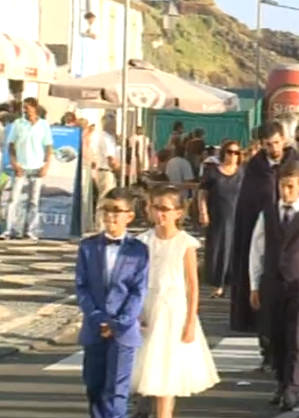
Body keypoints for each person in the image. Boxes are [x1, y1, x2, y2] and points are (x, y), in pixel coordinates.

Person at [230, 121, 299, 372]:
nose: (273, 148)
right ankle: (267, 352)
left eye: (277, 143)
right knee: (264, 306)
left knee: (292, 315)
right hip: (264, 244)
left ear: (284, 141)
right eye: (268, 144)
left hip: (292, 248)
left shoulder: (297, 167)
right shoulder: (255, 169)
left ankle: (289, 361)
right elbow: (247, 208)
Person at [248, 160, 299, 411]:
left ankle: (293, 387)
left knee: (295, 338)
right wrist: (254, 283)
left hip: (297, 283)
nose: (286, 192)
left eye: (291, 187)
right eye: (283, 186)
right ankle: (280, 383)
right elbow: (256, 249)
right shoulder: (268, 213)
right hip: (272, 282)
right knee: (275, 336)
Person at [132, 185, 219, 417]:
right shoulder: (143, 241)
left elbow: (192, 286)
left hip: (173, 312)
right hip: (148, 306)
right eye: (155, 208)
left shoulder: (184, 243)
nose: (160, 214)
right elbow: (135, 279)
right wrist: (136, 312)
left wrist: (190, 321)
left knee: (166, 377)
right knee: (146, 370)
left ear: (178, 212)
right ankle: (144, 409)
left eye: (165, 209)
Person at [74, 188, 149, 418]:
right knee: (94, 387)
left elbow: (138, 291)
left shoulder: (139, 250)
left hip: (123, 330)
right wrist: (98, 318)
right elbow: (81, 286)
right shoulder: (88, 247)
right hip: (94, 327)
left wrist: (118, 323)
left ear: (129, 216)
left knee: (116, 390)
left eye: (117, 211)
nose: (110, 216)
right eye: (106, 209)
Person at [0, 97, 53, 241]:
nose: (25, 110)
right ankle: (8, 230)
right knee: (13, 200)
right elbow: (11, 145)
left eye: (27, 107)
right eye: (24, 107)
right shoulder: (18, 124)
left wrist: (46, 165)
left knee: (33, 201)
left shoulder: (43, 125)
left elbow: (48, 146)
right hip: (21, 167)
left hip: (37, 167)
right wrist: (14, 163)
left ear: (35, 108)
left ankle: (30, 230)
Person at [198, 140, 244, 299]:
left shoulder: (243, 173)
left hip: (237, 216)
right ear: (224, 153)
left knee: (234, 250)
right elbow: (203, 193)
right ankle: (217, 284)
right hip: (217, 215)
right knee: (217, 249)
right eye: (230, 152)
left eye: (236, 153)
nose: (233, 156)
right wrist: (203, 211)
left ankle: (231, 284)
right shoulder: (213, 172)